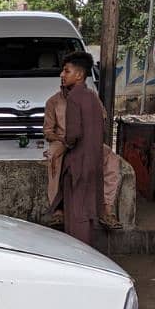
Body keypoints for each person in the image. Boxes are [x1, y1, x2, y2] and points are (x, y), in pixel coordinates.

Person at [44, 84, 122, 229]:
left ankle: (107, 210)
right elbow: (48, 132)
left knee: (112, 159)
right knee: (54, 158)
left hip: (87, 141)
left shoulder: (91, 98)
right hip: (62, 141)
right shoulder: (53, 102)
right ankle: (58, 210)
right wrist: (64, 141)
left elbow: (101, 120)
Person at [48, 52, 105, 244]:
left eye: (66, 71)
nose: (62, 75)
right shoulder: (92, 97)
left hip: (78, 163)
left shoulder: (73, 98)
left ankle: (80, 258)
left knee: (76, 213)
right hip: (94, 161)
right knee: (89, 212)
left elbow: (73, 135)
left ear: (79, 75)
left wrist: (65, 145)